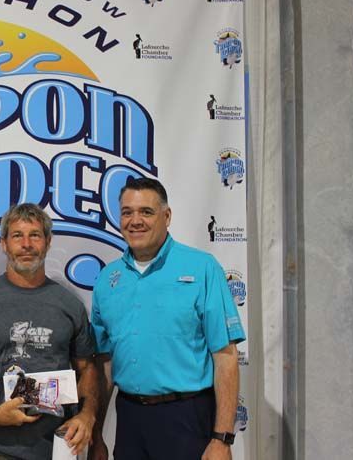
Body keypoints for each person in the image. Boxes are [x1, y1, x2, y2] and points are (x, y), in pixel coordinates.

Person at [90, 177, 245, 460]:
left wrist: (222, 439)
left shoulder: (202, 268)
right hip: (129, 419)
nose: (135, 221)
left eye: (146, 212)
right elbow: (105, 363)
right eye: (127, 212)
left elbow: (225, 356)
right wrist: (97, 433)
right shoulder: (107, 279)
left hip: (187, 418)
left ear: (167, 216)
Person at [0, 203, 98, 460]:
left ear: (48, 242)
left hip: (60, 448)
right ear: (4, 244)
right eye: (17, 236)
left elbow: (87, 369)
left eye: (35, 235)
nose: (26, 244)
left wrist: (87, 414)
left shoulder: (70, 305)